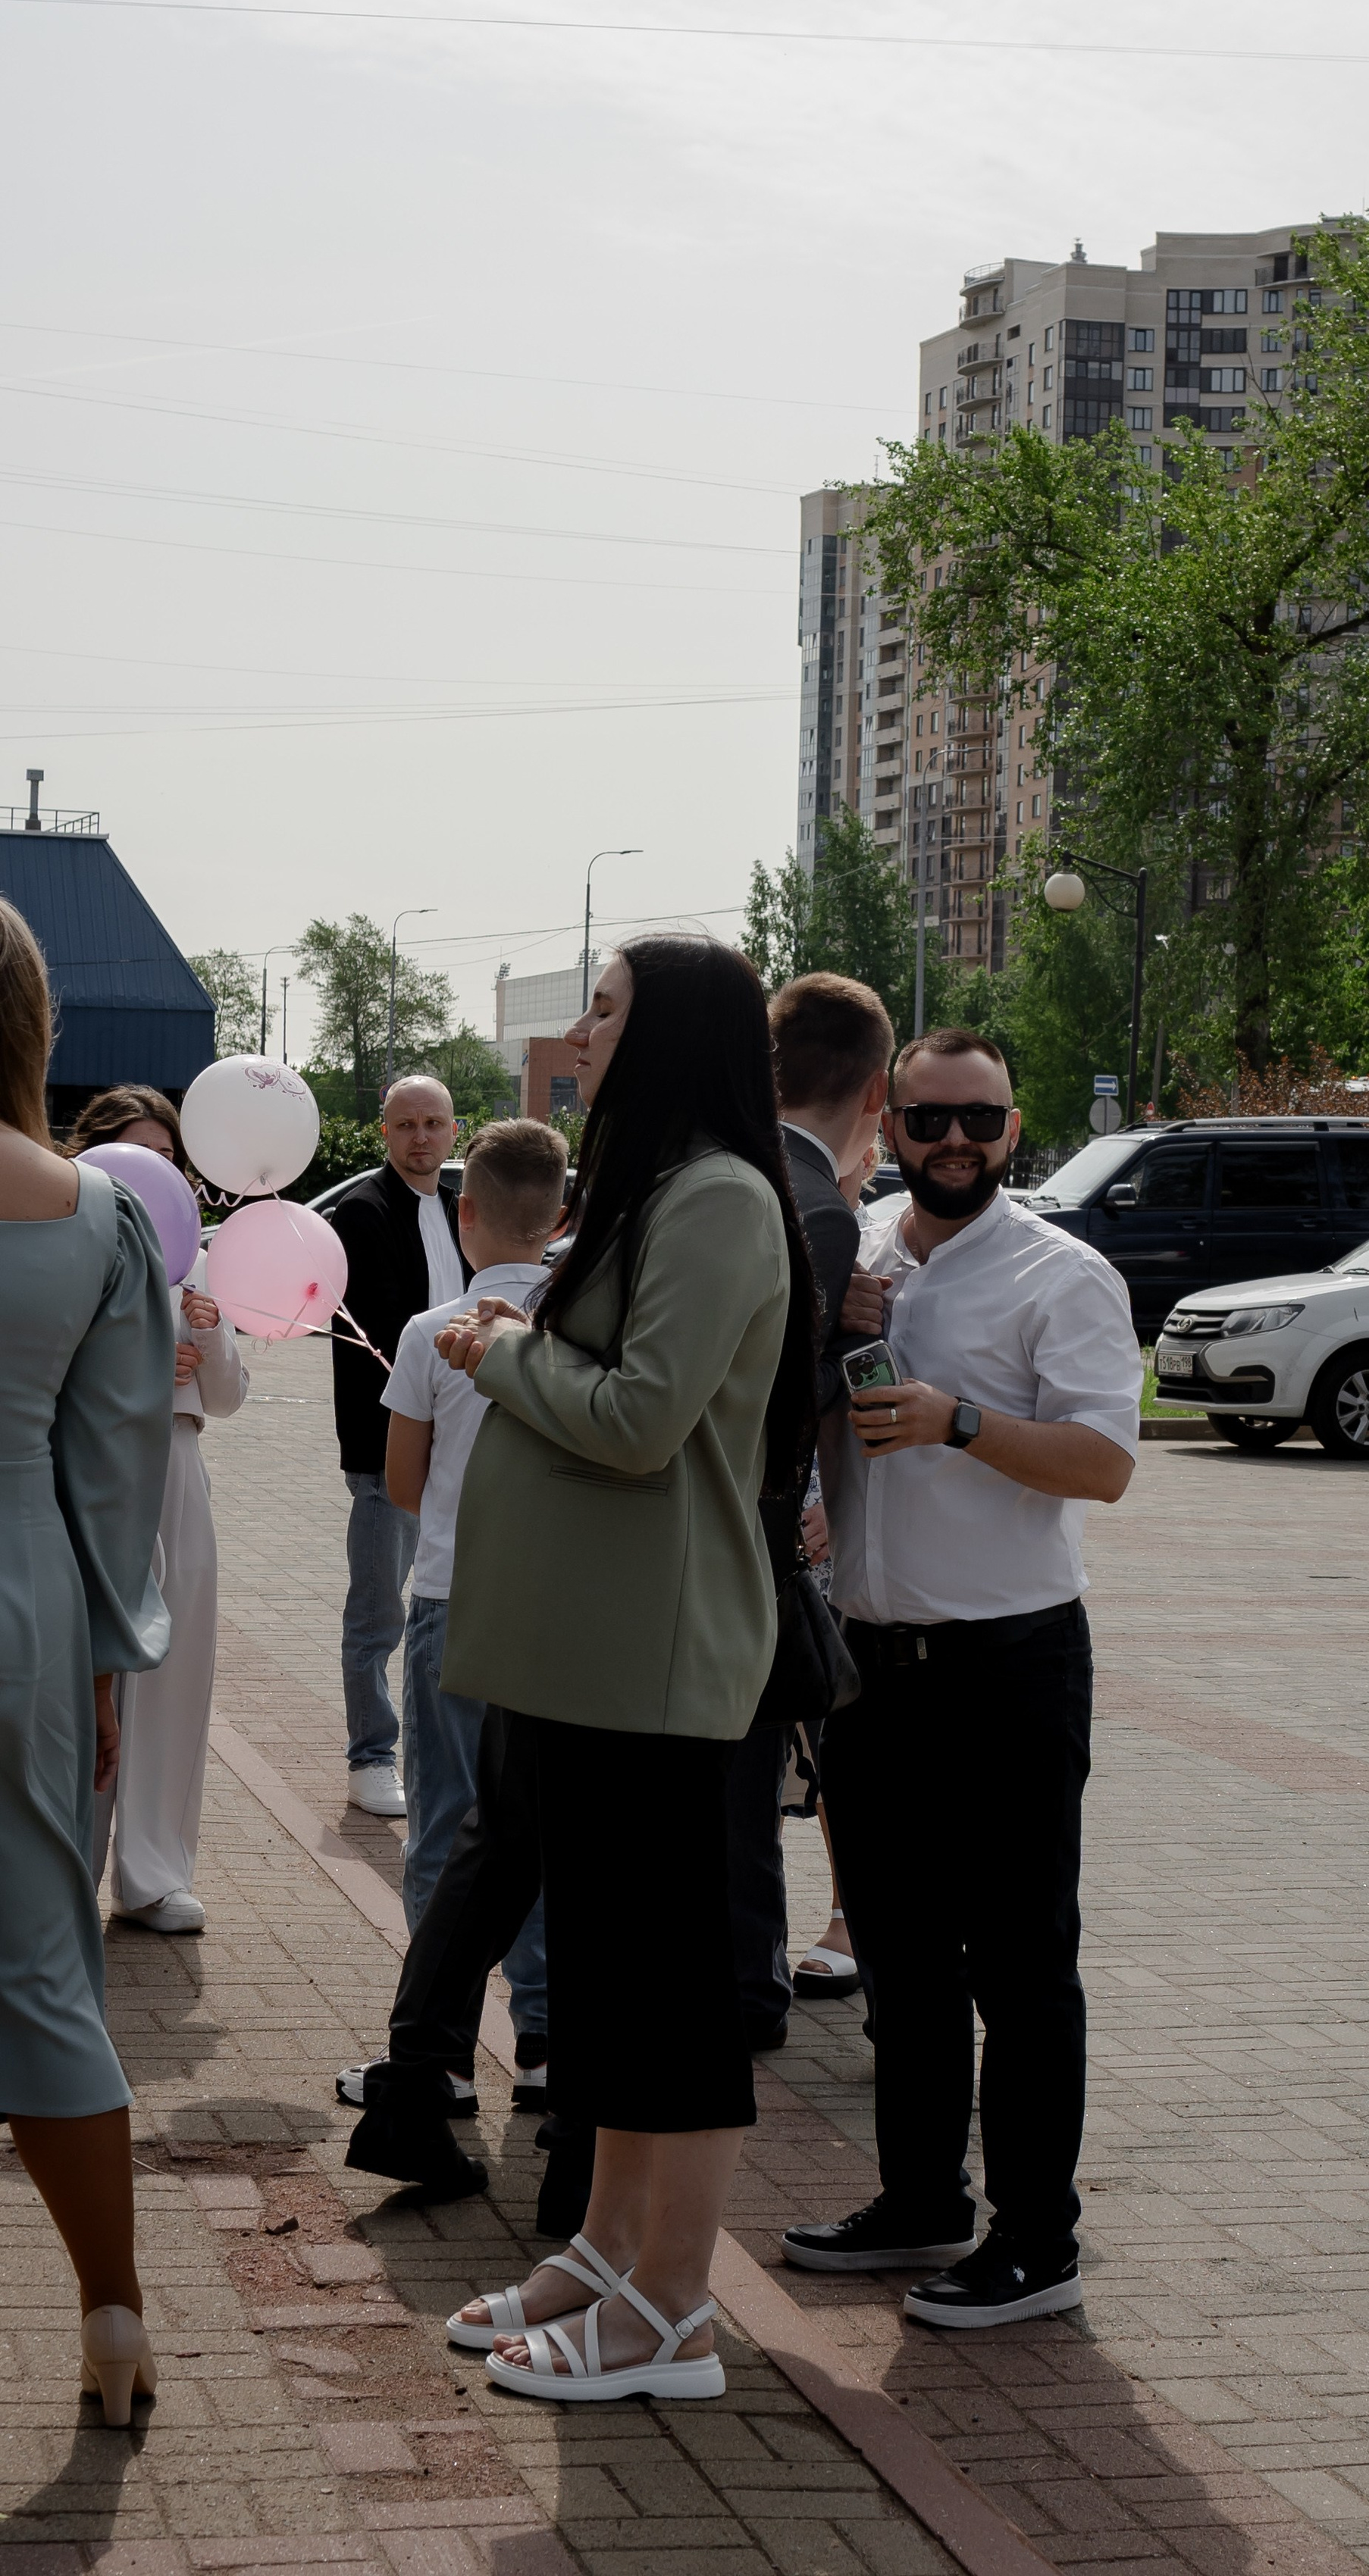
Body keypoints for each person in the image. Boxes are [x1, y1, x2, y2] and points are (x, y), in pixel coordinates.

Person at [431, 934, 817, 2405]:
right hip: (593, 1662)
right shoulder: (658, 1188)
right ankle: (602, 2256)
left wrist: (505, 1349)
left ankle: (671, 2310)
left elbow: (646, 1417)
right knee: (604, 1982)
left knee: (667, 1995)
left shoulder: (715, 1198)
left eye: (605, 1011)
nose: (582, 1033)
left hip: (657, 1663)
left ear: (673, 1036)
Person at [782, 1028, 1141, 2330]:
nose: (953, 1143)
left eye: (979, 1123)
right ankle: (920, 2198)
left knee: (1021, 1966)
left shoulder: (1065, 1275)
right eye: (929, 1118)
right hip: (873, 1663)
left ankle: (1037, 2237)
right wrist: (836, 1333)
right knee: (903, 1959)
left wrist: (961, 1420)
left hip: (1009, 1664)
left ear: (1014, 1127)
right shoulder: (859, 1245)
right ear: (893, 1113)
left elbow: (1102, 1463)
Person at [0, 903, 175, 2425]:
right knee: (45, 1963)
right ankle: (112, 2313)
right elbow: (115, 1474)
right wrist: (111, 1664)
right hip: (27, 1610)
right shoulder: (99, 1215)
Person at [378, 1119, 565, 2083]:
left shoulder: (429, 1330)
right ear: (561, 1215)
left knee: (448, 1823)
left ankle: (438, 2050)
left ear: (466, 1214)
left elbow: (403, 1482)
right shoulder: (579, 1327)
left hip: (453, 1592)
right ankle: (541, 2036)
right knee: (533, 1826)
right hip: (552, 1613)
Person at [724, 970, 891, 2044]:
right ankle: (749, 1991)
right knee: (758, 1769)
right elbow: (772, 1395)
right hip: (758, 1540)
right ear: (876, 1089)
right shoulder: (817, 1208)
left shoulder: (725, 1168)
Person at [71, 1086, 249, 1937]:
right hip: (94, 1471)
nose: (157, 1177)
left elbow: (229, 1395)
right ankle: (76, 1860)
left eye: (170, 1160)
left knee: (176, 1670)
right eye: (139, 1158)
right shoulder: (71, 1238)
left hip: (178, 1464)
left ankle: (154, 1871)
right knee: (92, 1671)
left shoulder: (199, 1258)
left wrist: (208, 1337)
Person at [327, 1074, 461, 1817]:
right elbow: (377, 1332)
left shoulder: (460, 1208)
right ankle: (371, 1757)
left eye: (433, 1123)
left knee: (451, 1612)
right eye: (405, 1124)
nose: (419, 1137)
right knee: (380, 1614)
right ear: (385, 1132)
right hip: (392, 1451)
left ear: (452, 1131)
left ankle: (442, 1757)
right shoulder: (363, 1211)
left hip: (468, 1445)